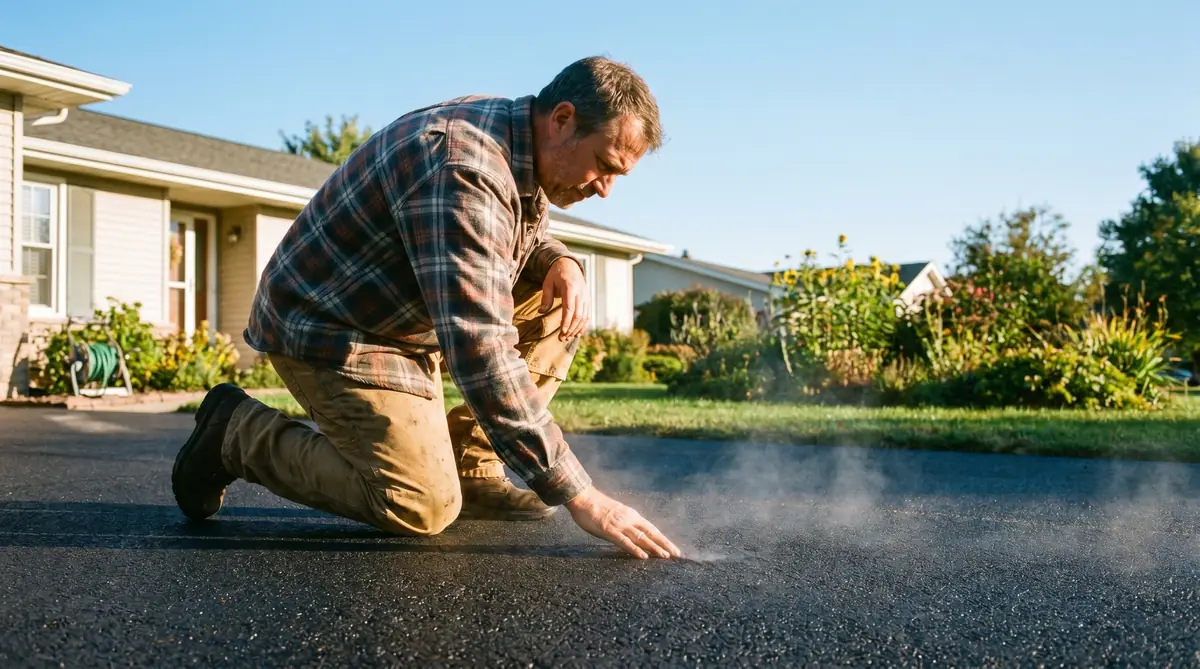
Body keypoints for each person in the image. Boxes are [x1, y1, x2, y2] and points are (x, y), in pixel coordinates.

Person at [171, 56, 681, 561]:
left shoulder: (516, 137)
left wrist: (560, 259)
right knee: (420, 504)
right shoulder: (465, 167)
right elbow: (481, 349)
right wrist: (581, 495)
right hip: (333, 329)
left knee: (562, 304)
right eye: (606, 165)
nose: (606, 188)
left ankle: (474, 469)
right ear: (563, 119)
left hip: (399, 319)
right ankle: (234, 432)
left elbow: (506, 233)